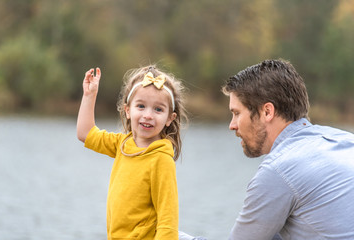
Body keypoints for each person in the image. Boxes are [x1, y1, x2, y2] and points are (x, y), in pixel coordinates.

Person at [220, 59, 354, 240]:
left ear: (267, 112)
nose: (232, 125)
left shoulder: (278, 170)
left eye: (236, 113)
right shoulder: (346, 140)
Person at [77, 65, 187, 239]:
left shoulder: (161, 159)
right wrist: (89, 95)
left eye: (158, 109)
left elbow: (168, 219)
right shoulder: (121, 144)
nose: (148, 115)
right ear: (128, 110)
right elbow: (85, 133)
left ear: (169, 118)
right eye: (141, 106)